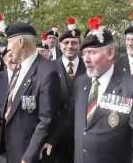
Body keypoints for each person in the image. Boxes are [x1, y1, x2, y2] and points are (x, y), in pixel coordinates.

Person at [73, 21, 133, 163]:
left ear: (110, 53)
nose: (86, 59)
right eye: (84, 53)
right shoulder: (81, 83)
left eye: (92, 52)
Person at [0, 22, 60, 163]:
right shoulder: (19, 67)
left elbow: (46, 120)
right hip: (9, 146)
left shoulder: (48, 72)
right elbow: (12, 101)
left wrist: (28, 156)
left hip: (26, 152)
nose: (7, 48)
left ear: (20, 42)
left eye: (9, 42)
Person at [41, 17, 86, 163]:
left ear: (79, 45)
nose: (70, 46)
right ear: (60, 45)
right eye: (66, 42)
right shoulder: (49, 68)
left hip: (80, 136)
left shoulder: (89, 69)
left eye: (74, 43)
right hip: (53, 137)